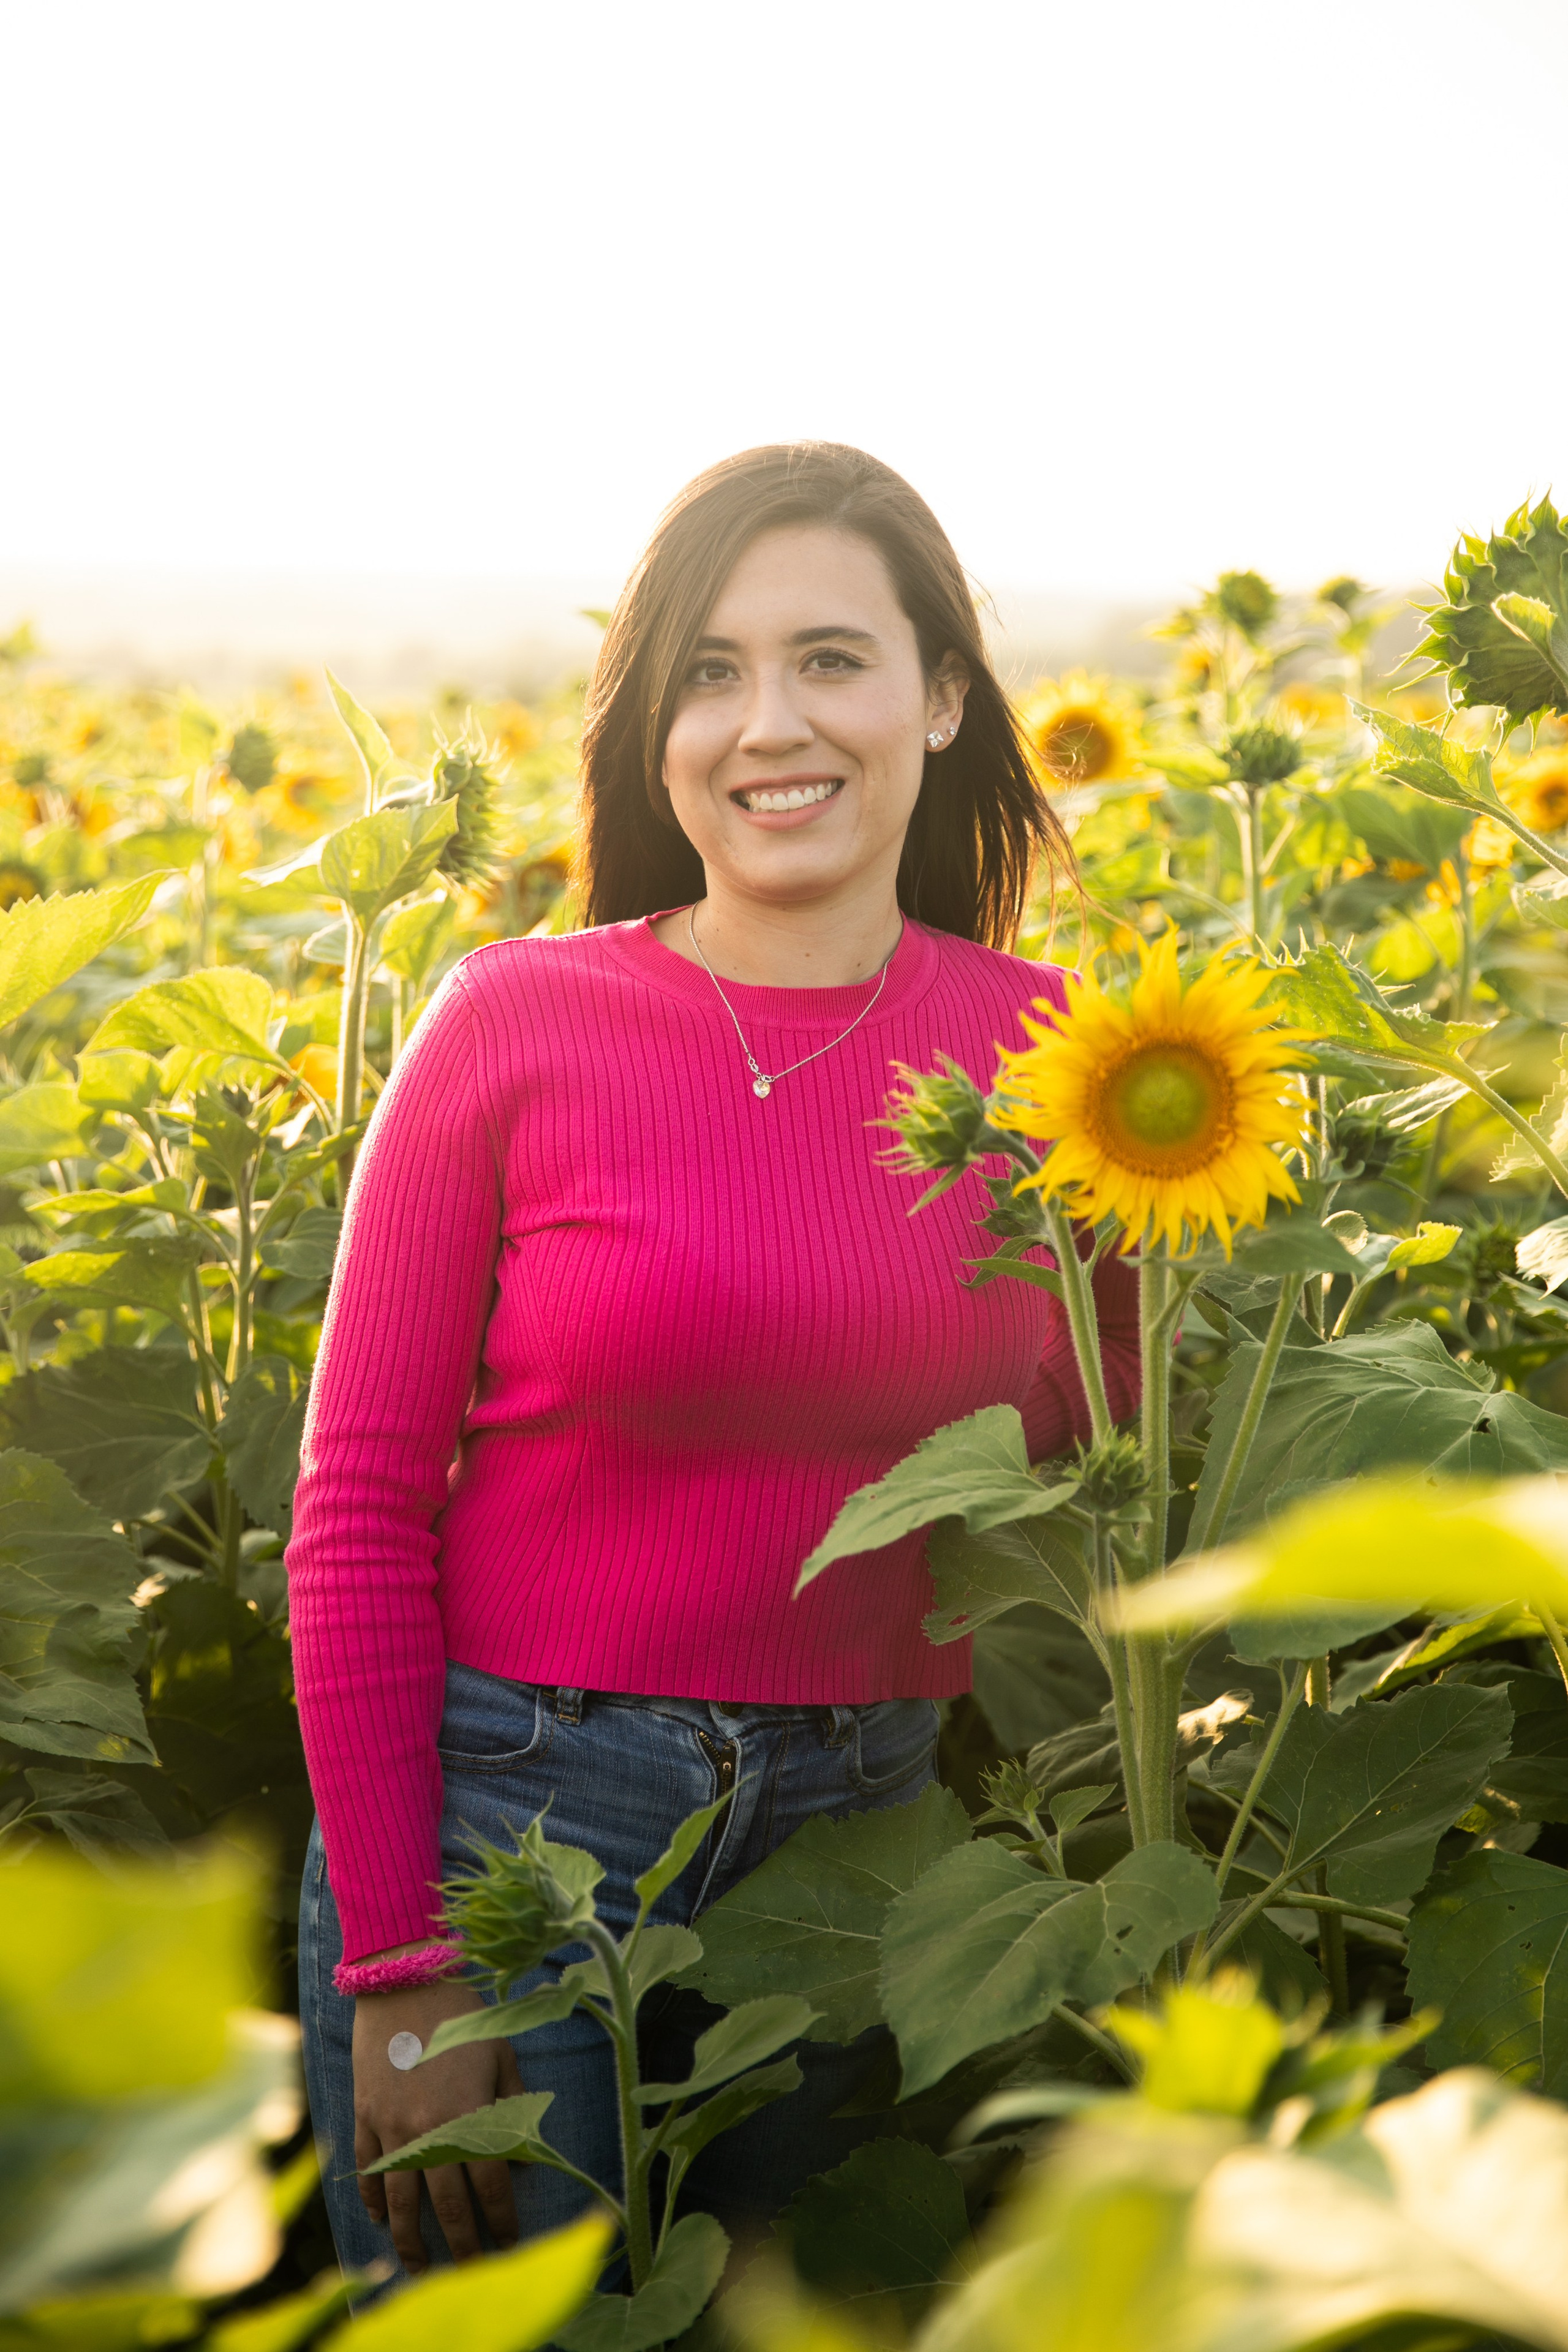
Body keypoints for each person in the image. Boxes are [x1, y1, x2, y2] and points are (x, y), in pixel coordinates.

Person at [288, 441, 1141, 2283]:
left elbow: (1104, 1508)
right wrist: (397, 1969)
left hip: (876, 1851)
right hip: (516, 1827)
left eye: (832, 658)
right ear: (655, 729)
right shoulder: (515, 1024)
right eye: (711, 671)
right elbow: (354, 1513)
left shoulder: (1078, 1066)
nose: (773, 723)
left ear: (940, 695)